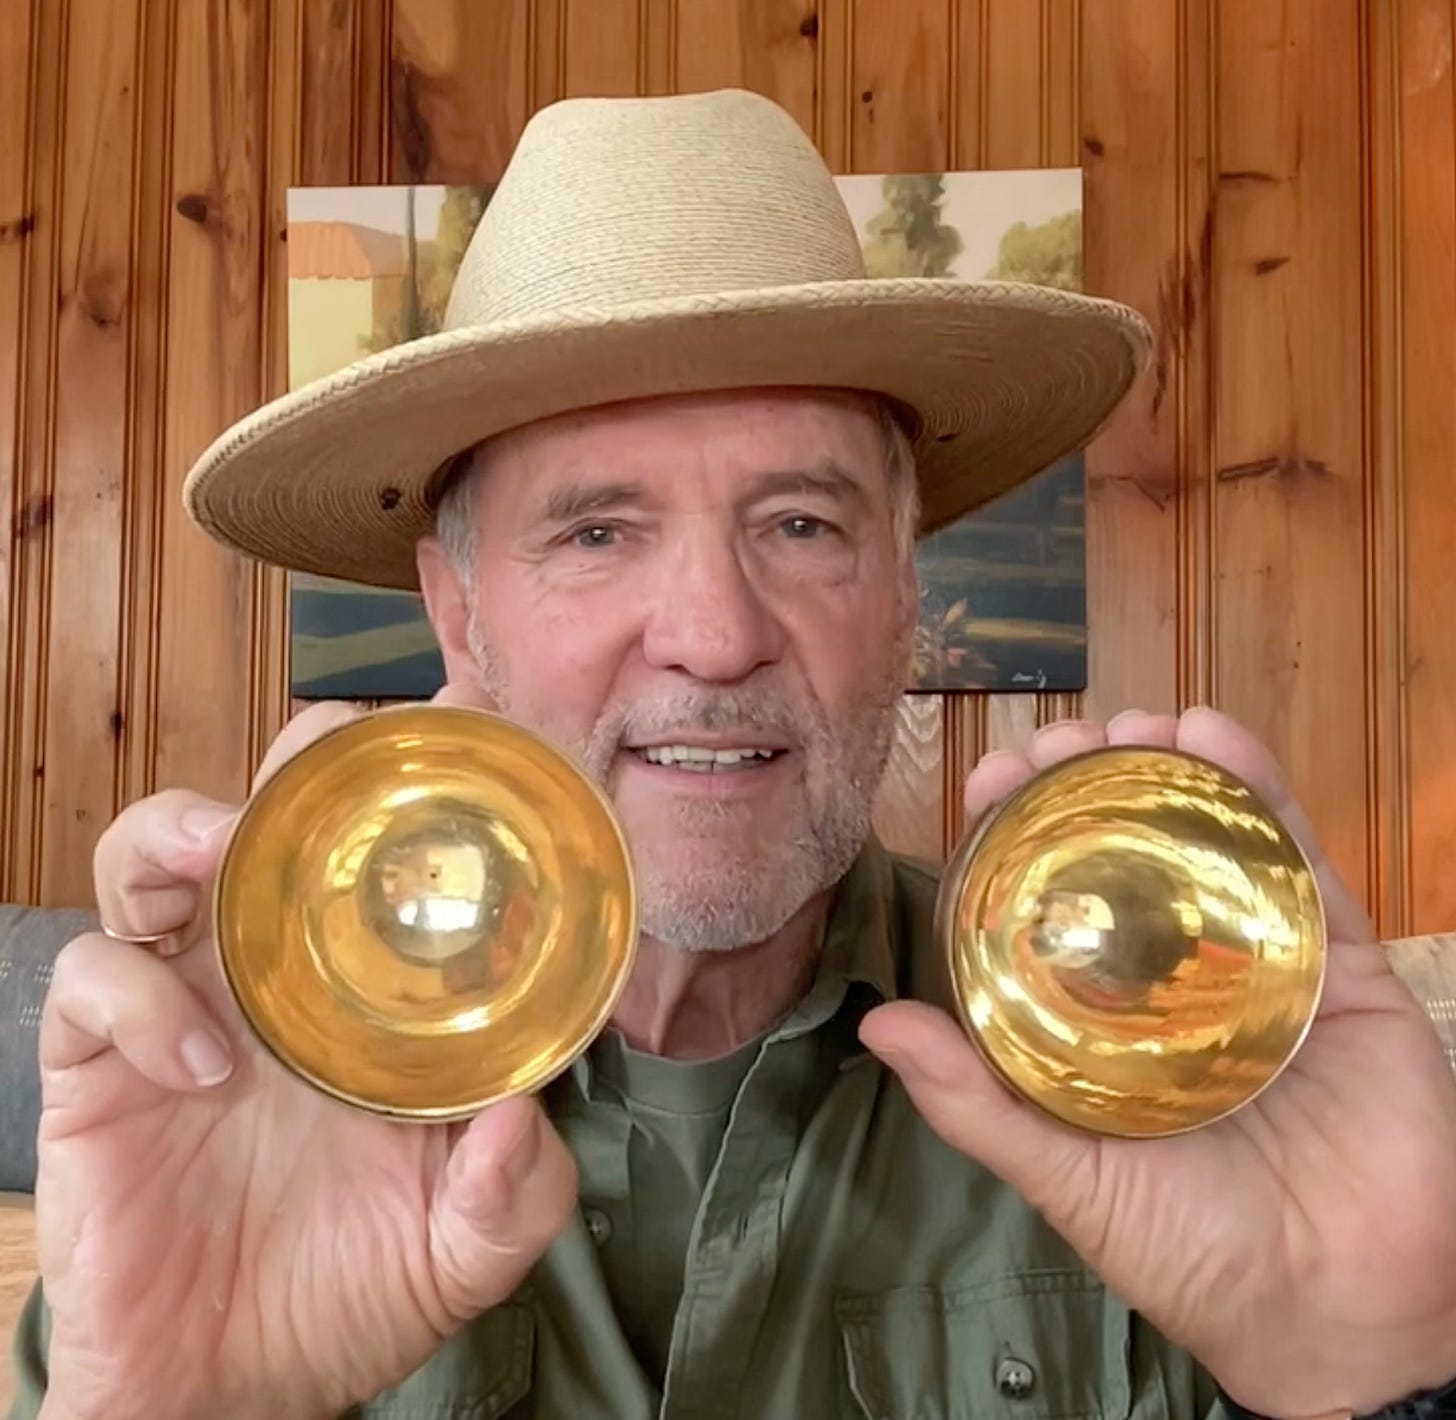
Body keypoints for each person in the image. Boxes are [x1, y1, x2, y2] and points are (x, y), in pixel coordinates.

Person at [8, 88, 1456, 1420]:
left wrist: (1384, 1367)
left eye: (801, 525)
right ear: (458, 617)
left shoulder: (1160, 1073)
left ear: (904, 598)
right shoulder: (249, 1117)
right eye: (597, 532)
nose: (714, 637)